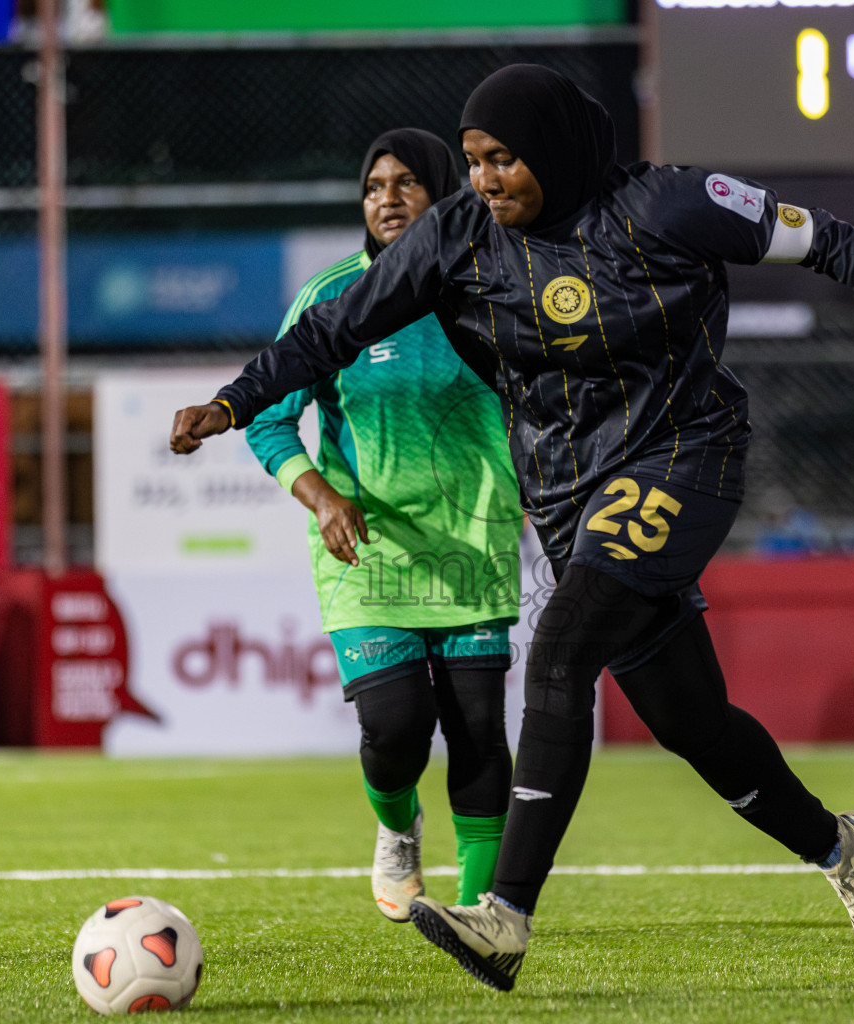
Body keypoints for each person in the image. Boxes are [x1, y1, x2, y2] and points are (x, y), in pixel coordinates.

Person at [171, 64, 854, 991]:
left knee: (562, 648)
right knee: (693, 725)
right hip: (570, 495)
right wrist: (231, 398)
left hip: (685, 456)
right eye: (474, 162)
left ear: (560, 149)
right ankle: (840, 846)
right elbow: (330, 331)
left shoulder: (669, 205)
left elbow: (828, 242)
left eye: (505, 160)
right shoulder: (455, 238)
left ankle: (506, 914)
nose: (488, 181)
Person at [243, 129, 524, 922]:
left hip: (473, 542)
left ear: (446, 195)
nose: (388, 199)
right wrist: (323, 497)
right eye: (374, 186)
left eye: (407, 183)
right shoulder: (334, 297)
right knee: (397, 727)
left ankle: (476, 911)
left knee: (477, 730)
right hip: (366, 548)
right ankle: (397, 828)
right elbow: (269, 421)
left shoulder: (496, 286)